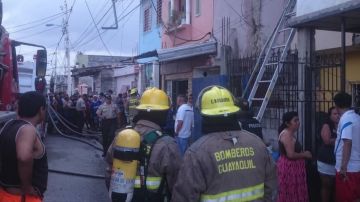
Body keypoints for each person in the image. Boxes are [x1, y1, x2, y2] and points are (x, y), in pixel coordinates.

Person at [171, 86, 277, 202]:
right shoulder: (258, 143)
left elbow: (184, 197)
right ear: (234, 112)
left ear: (204, 115)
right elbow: (271, 188)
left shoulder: (196, 153)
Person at [105, 87, 181, 202]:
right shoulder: (167, 144)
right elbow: (176, 186)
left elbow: (109, 171)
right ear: (163, 114)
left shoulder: (122, 136)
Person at [0, 91, 48, 202]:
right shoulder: (28, 129)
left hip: (5, 193)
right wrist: (27, 187)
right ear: (41, 110)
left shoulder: (8, 125)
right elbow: (24, 157)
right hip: (22, 198)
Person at [277, 111, 312, 202]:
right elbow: (291, 154)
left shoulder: (290, 133)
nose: (298, 123)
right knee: (291, 192)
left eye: (298, 120)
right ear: (287, 123)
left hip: (293, 167)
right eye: (295, 121)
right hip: (289, 168)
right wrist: (305, 154)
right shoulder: (286, 134)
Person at [333, 92, 360, 202]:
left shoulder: (346, 119)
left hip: (348, 168)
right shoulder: (357, 117)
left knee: (346, 198)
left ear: (337, 105)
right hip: (356, 165)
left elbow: (347, 142)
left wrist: (343, 167)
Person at [317, 107, 339, 202]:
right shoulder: (327, 125)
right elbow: (327, 141)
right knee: (327, 186)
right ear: (329, 116)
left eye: (338, 113)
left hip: (338, 162)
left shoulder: (342, 124)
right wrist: (341, 140)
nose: (337, 115)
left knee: (337, 187)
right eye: (334, 114)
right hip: (326, 160)